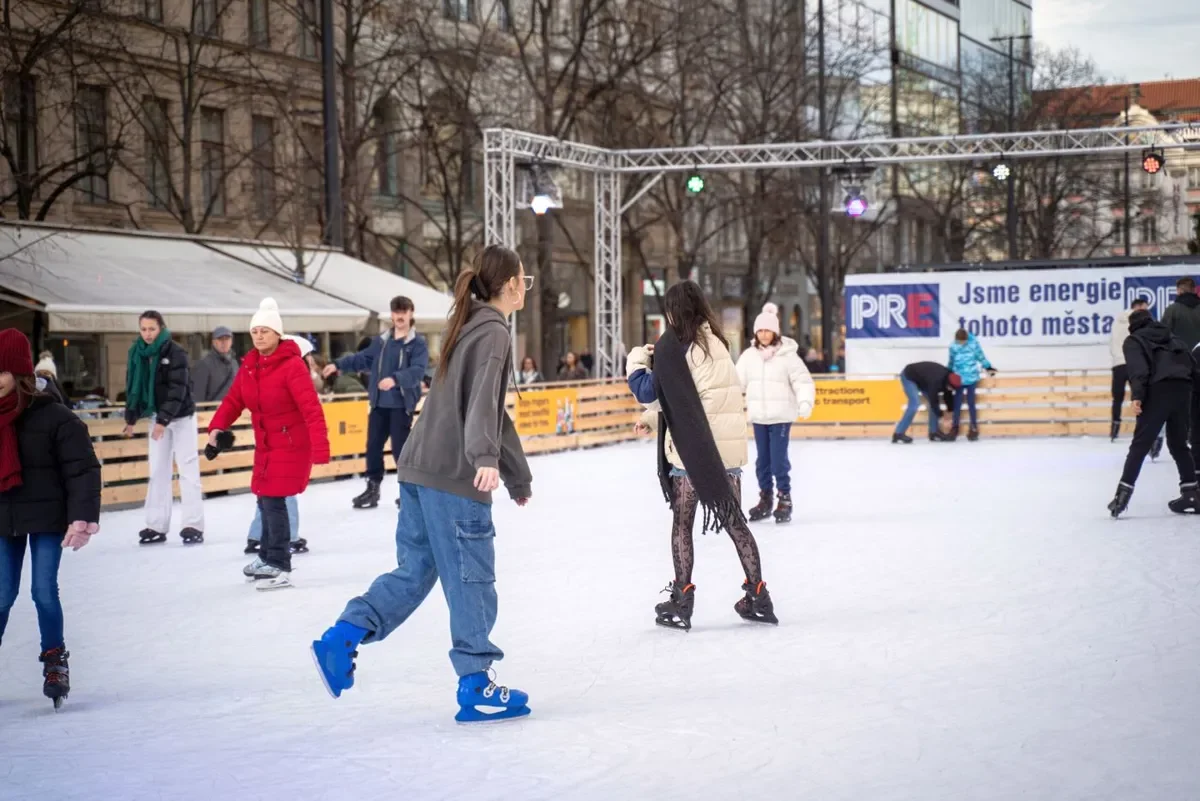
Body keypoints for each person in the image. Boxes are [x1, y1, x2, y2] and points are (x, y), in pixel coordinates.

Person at [311, 244, 533, 724]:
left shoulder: (466, 325)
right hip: (454, 473)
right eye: (525, 280)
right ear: (511, 284)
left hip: (418, 467)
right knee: (472, 577)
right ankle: (476, 684)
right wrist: (485, 458)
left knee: (415, 570)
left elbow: (490, 411)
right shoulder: (493, 330)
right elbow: (482, 405)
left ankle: (344, 635)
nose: (526, 288)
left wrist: (517, 472)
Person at [626, 281, 776, 632]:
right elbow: (693, 398)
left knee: (682, 524)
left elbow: (649, 391)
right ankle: (758, 595)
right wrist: (653, 419)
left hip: (695, 452)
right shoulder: (717, 343)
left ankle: (682, 599)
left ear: (673, 311)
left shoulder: (676, 348)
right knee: (736, 524)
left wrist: (637, 360)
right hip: (727, 454)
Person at [0, 329, 101, 708]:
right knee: (1, 595)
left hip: (46, 516)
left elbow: (82, 469)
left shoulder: (54, 416)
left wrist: (81, 517)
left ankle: (55, 662)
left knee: (43, 591)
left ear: (18, 372)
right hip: (3, 517)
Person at [209, 300, 330, 589]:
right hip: (266, 444)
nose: (259, 336)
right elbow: (234, 400)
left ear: (278, 333)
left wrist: (321, 448)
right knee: (264, 497)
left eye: (265, 330)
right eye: (255, 331)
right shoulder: (251, 365)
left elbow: (311, 408)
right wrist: (216, 427)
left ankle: (279, 563)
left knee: (275, 499)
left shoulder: (292, 366)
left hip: (291, 443)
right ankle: (266, 557)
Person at [324, 296, 429, 510]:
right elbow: (362, 358)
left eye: (404, 311)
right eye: (396, 312)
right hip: (379, 404)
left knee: (401, 449)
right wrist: (338, 364)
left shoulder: (417, 343)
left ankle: (410, 492)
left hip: (401, 404)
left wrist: (395, 379)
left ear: (411, 313)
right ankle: (373, 488)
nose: (399, 316)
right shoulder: (382, 342)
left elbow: (418, 371)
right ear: (391, 314)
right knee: (372, 447)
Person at [122, 311, 205, 545]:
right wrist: (131, 418)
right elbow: (133, 387)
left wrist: (163, 420)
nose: (148, 334)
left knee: (188, 469)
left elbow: (178, 389)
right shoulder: (137, 353)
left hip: (181, 417)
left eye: (152, 329)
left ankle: (193, 524)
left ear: (161, 328)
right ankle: (156, 525)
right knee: (158, 470)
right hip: (156, 416)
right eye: (144, 329)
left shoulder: (175, 352)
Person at [1107, 309, 1198, 518]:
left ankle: (1122, 497)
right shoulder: (1174, 338)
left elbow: (1139, 370)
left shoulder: (1134, 340)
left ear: (1132, 326)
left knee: (1140, 445)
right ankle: (1191, 494)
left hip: (1158, 391)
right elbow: (1192, 367)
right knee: (1179, 445)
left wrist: (1137, 396)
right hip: (1183, 390)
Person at [734, 302, 815, 524]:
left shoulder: (787, 356)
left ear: (775, 332)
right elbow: (736, 383)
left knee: (779, 461)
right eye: (760, 330)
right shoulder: (749, 356)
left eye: (767, 330)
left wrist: (805, 401)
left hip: (781, 416)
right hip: (759, 417)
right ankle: (766, 498)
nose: (763, 334)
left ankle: (784, 498)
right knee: (762, 462)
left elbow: (802, 381)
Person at [244, 334, 318, 556]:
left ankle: (257, 535)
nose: (312, 361)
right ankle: (288, 537)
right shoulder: (293, 375)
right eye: (309, 356)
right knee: (284, 492)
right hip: (286, 442)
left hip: (276, 441)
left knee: (270, 492)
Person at [893, 362, 962, 444]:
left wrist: (949, 413)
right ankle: (898, 433)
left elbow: (948, 396)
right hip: (909, 376)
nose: (951, 389)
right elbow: (933, 400)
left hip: (924, 380)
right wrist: (941, 416)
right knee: (915, 403)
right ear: (948, 383)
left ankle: (934, 433)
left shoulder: (950, 377)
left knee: (934, 404)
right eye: (951, 388)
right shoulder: (936, 381)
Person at [946, 329, 995, 441]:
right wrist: (948, 372)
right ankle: (955, 428)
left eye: (963, 341)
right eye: (959, 341)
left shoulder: (973, 345)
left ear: (966, 339)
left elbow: (981, 357)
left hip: (971, 378)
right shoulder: (953, 346)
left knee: (971, 403)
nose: (961, 343)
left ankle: (973, 428)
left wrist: (988, 367)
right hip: (959, 379)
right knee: (957, 404)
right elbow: (951, 361)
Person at [1109, 299, 1147, 441]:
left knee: (1117, 398)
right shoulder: (1138, 322)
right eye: (1144, 308)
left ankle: (1114, 429)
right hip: (1133, 363)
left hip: (1118, 364)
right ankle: (1143, 427)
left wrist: (1117, 357)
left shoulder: (1116, 321)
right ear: (1138, 307)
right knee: (1139, 396)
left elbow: (1112, 342)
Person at [191, 326, 238, 404]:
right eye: (220, 339)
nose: (224, 342)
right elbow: (198, 396)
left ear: (231, 341)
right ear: (214, 342)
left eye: (227, 339)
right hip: (212, 410)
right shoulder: (204, 364)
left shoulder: (234, 363)